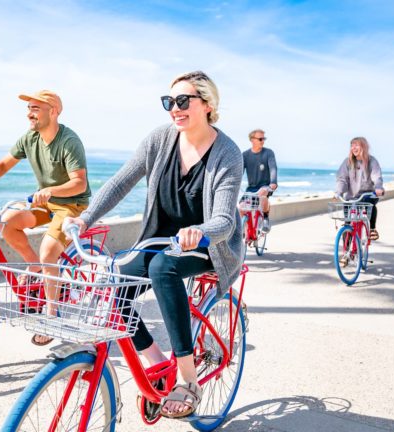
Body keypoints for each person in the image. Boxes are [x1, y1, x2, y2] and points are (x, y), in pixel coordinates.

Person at [63, 71, 243, 419]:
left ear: (207, 105)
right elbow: (121, 181)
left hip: (206, 245)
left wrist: (199, 231)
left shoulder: (227, 153)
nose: (174, 109)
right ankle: (156, 361)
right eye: (169, 102)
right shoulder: (160, 139)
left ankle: (189, 379)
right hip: (157, 239)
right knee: (115, 286)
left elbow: (225, 219)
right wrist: (86, 218)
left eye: (182, 101)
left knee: (164, 267)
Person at [0, 89, 91, 346]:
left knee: (48, 250)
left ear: (53, 112)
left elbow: (79, 183)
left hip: (71, 204)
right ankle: (36, 267)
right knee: (7, 222)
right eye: (28, 108)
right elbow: (4, 165)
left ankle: (51, 314)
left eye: (35, 108)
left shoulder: (69, 141)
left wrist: (50, 191)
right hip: (45, 202)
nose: (29, 113)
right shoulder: (30, 138)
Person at [335, 136, 385, 240]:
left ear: (364, 146)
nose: (353, 148)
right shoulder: (347, 162)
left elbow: (377, 176)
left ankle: (372, 229)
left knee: (370, 204)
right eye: (352, 145)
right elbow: (342, 179)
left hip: (368, 194)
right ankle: (346, 253)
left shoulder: (372, 161)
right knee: (347, 224)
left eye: (356, 145)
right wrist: (338, 192)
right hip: (351, 197)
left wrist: (378, 188)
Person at [242, 129, 277, 232]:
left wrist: (273, 182)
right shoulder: (245, 155)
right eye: (260, 139)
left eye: (264, 139)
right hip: (251, 187)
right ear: (252, 140)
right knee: (241, 208)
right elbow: (239, 172)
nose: (263, 141)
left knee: (263, 196)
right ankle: (241, 232)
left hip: (265, 186)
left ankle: (265, 218)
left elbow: (273, 168)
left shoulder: (268, 153)